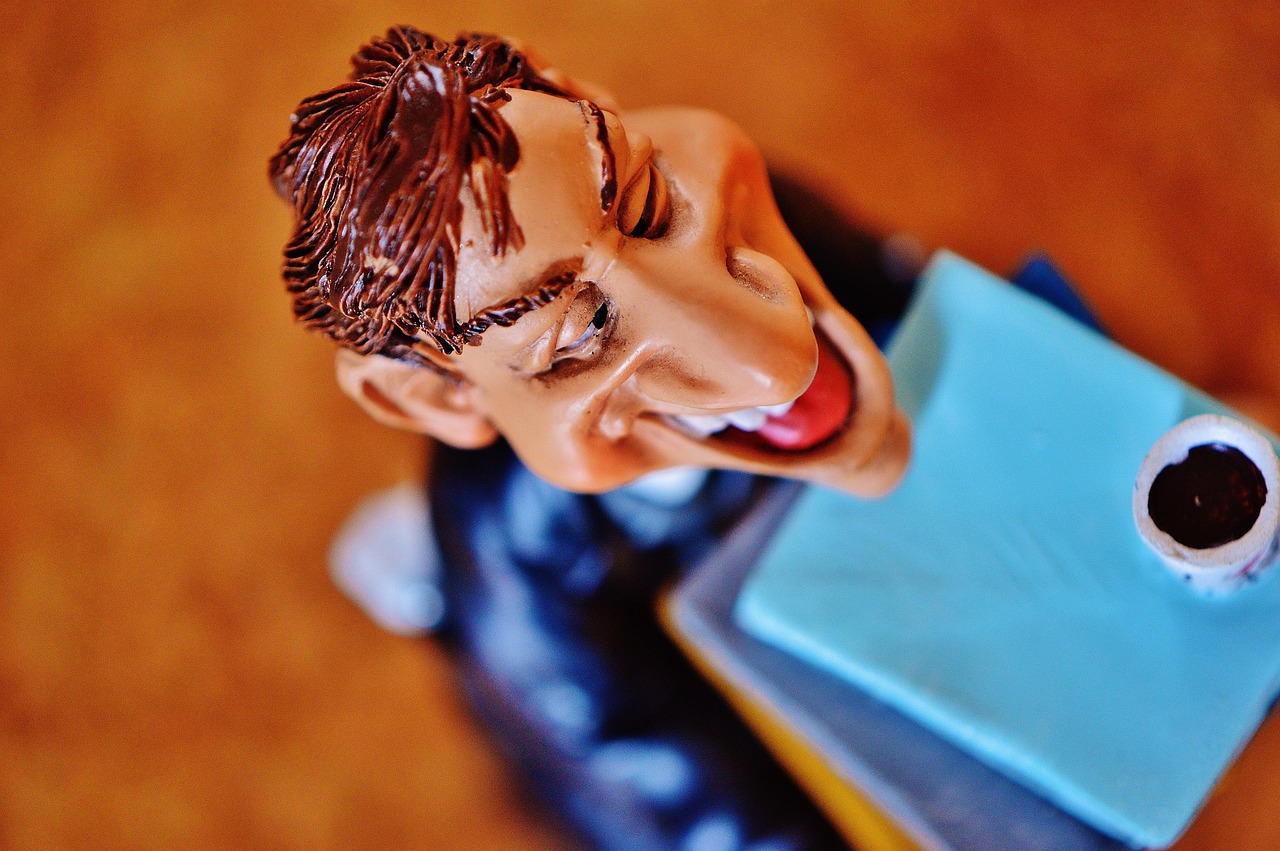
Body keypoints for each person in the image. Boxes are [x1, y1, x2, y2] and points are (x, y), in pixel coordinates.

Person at [270, 25, 926, 849]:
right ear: (436, 398)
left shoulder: (750, 201)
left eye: (650, 207)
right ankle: (428, 579)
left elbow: (878, 276)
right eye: (573, 338)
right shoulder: (524, 557)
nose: (767, 367)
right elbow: (637, 767)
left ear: (584, 94)